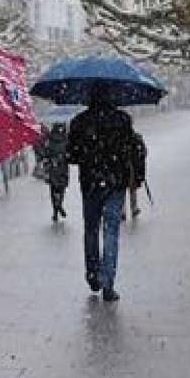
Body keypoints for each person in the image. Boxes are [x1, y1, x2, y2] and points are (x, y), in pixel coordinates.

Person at [66, 84, 139, 302]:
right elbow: (130, 150)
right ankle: (108, 282)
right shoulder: (122, 120)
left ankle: (92, 274)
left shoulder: (79, 122)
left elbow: (71, 156)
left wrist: (88, 155)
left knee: (91, 230)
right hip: (115, 183)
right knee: (111, 232)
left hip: (90, 184)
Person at [43, 123, 71, 222]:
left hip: (53, 167)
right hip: (62, 167)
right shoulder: (66, 139)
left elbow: (45, 153)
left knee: (54, 190)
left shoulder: (49, 140)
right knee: (61, 188)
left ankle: (56, 210)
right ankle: (59, 205)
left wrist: (47, 163)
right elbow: (70, 154)